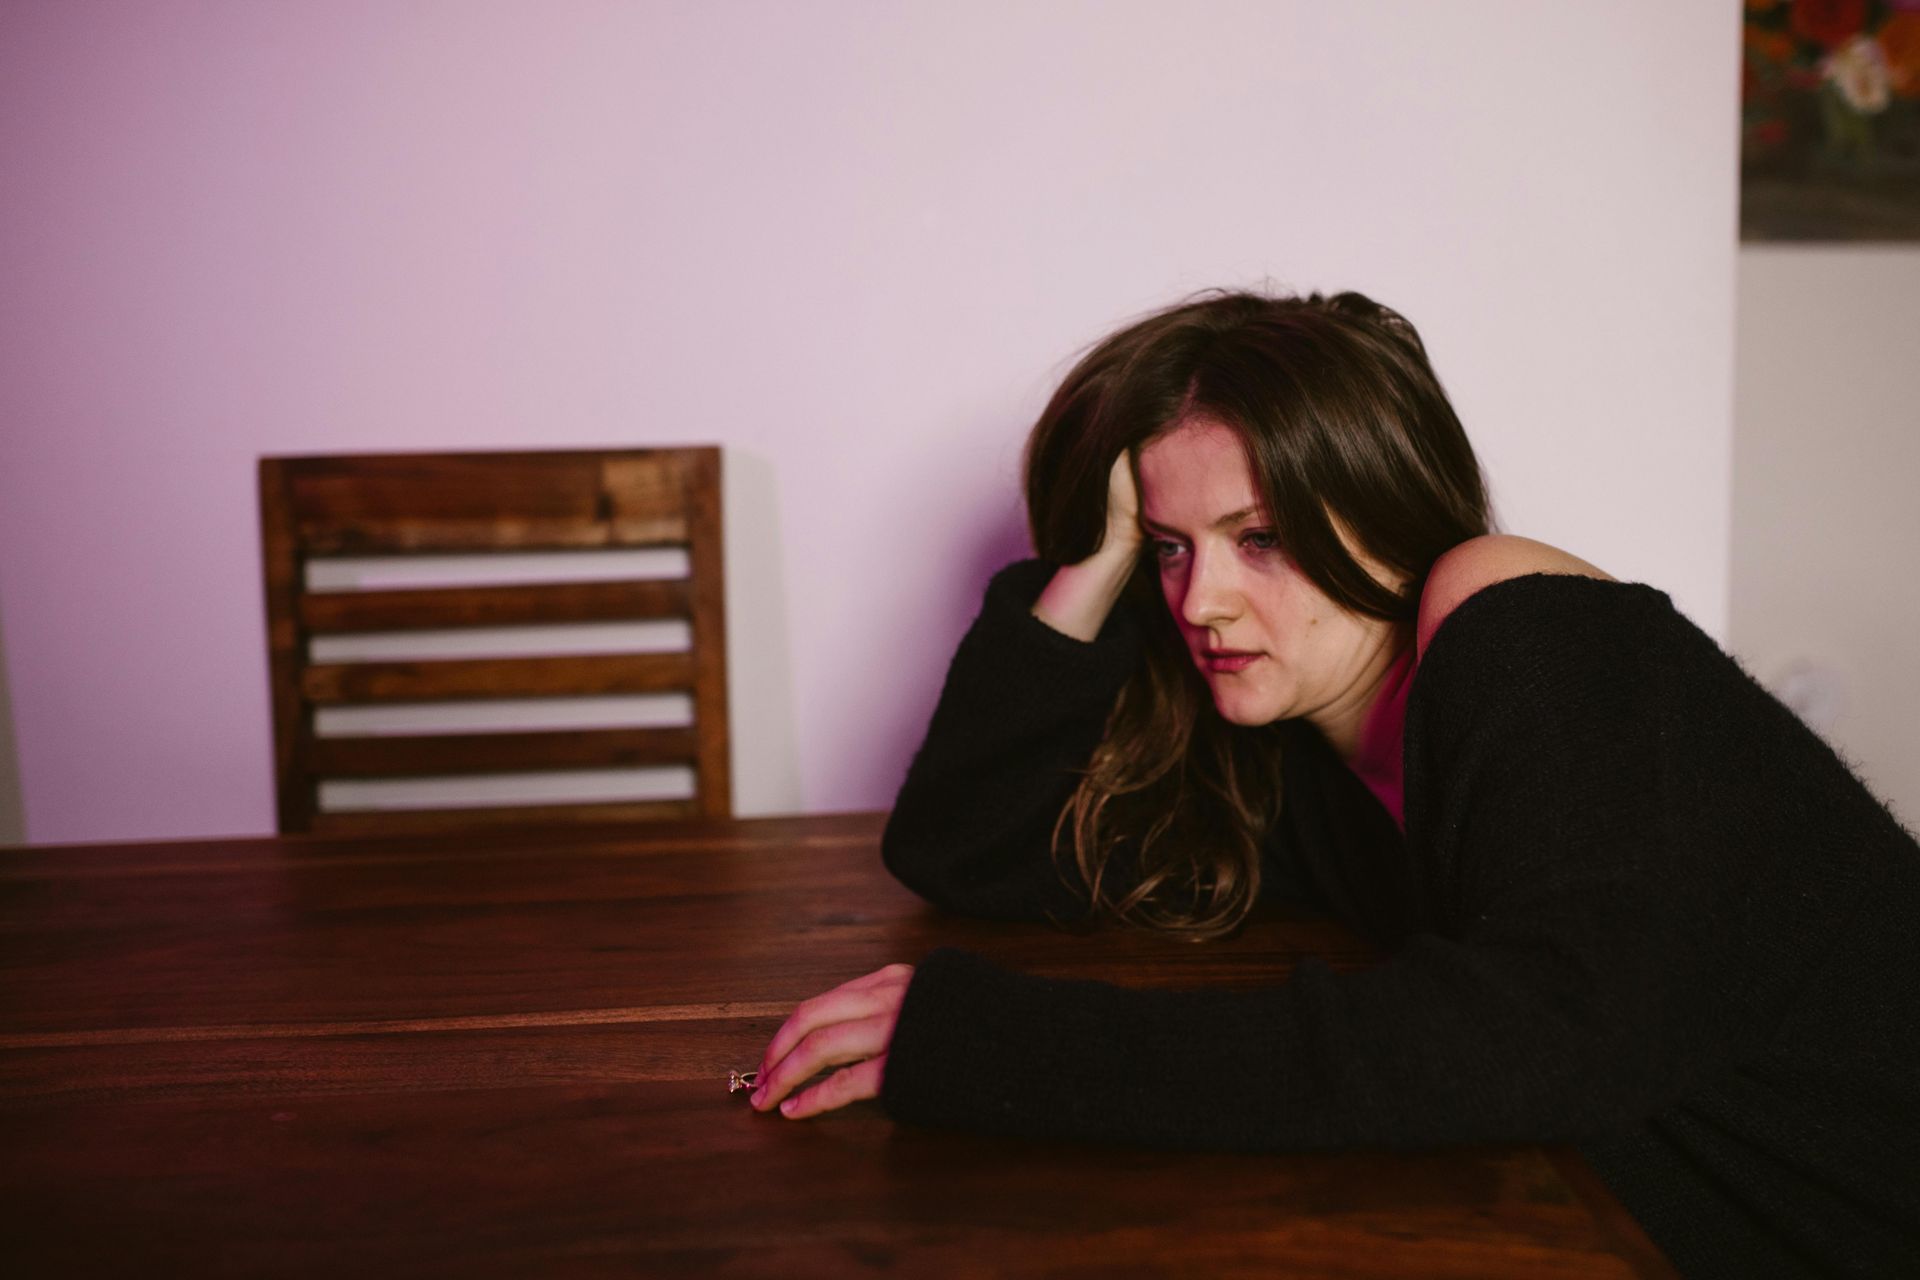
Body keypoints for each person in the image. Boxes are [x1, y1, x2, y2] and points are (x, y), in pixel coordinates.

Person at [748, 289, 1920, 1278]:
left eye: (1258, 536)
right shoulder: (1297, 752)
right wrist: (1086, 569)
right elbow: (968, 852)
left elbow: (1562, 1035)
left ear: (1382, 505)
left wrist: (999, 1045)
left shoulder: (1508, 615)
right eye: (1169, 546)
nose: (1200, 599)